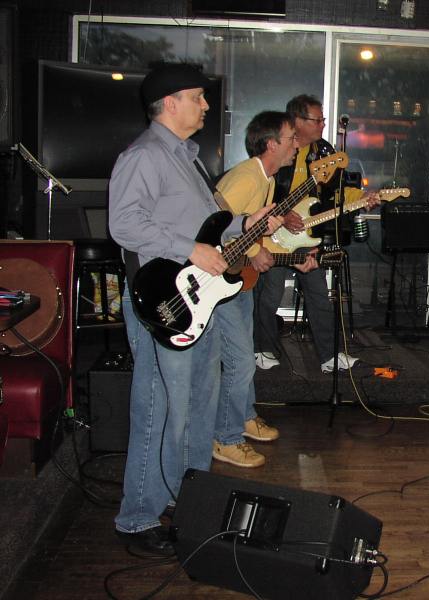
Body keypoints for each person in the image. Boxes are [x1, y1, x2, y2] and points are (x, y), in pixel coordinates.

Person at [108, 64, 280, 555]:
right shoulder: (144, 156)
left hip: (197, 300)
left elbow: (207, 226)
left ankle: (190, 501)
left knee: (199, 406)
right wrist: (189, 249)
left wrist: (247, 222)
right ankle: (138, 519)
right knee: (159, 408)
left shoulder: (188, 158)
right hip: (163, 302)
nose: (206, 106)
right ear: (170, 103)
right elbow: (124, 224)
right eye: (198, 97)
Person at [211, 110, 317, 468]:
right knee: (240, 359)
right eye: (290, 138)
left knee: (243, 356)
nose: (296, 144)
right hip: (219, 281)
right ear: (272, 144)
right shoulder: (247, 178)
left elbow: (255, 234)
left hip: (237, 280)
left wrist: (292, 257)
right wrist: (254, 251)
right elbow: (214, 224)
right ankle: (225, 438)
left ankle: (243, 416)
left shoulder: (266, 179)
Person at [253, 94, 379, 373]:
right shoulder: (278, 147)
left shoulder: (323, 152)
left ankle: (329, 356)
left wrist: (362, 197)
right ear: (297, 121)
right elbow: (259, 192)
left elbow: (336, 191)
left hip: (304, 235)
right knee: (270, 293)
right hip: (273, 233)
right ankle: (261, 348)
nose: (323, 124)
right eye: (317, 119)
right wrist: (281, 216)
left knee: (319, 292)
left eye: (323, 119)